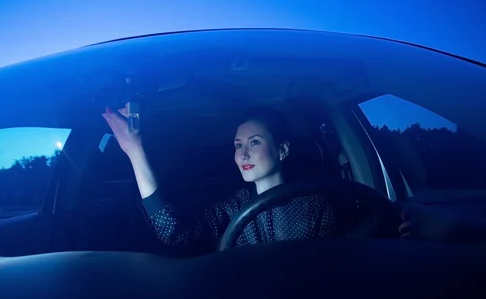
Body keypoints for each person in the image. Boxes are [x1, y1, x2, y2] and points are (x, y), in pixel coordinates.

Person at [102, 105, 341, 251]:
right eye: (238, 145)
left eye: (254, 142)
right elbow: (176, 234)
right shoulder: (233, 207)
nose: (243, 153)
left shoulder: (315, 206)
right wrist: (135, 151)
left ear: (283, 150)